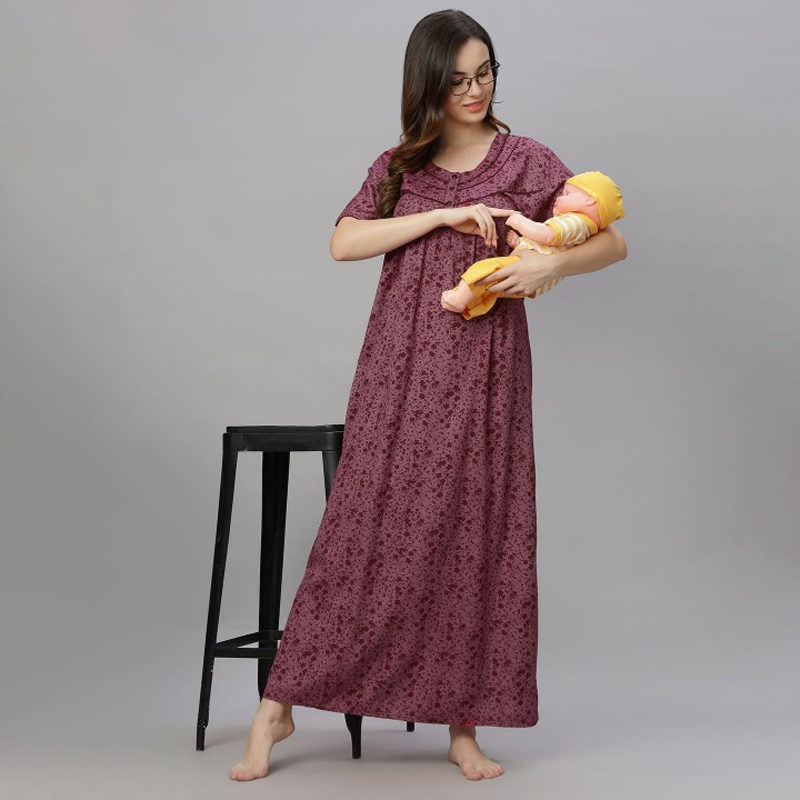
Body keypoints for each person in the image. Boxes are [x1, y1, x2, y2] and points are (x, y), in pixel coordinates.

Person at [229, 9, 627, 783]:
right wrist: (439, 214)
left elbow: (609, 238)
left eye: (486, 74)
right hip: (398, 367)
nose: (475, 92)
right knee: (361, 528)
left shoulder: (527, 159)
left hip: (486, 373)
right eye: (458, 80)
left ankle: (463, 727)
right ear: (428, 84)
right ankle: (278, 706)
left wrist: (551, 265)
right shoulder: (400, 167)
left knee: (477, 531)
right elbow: (343, 241)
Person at [441, 170, 626, 318]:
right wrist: (519, 242)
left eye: (567, 194)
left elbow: (546, 235)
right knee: (491, 288)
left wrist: (518, 221)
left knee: (484, 270)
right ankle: (470, 307)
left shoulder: (575, 221)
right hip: (528, 276)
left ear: (589, 200)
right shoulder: (578, 226)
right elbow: (547, 244)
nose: (559, 198)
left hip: (529, 270)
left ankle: (459, 298)